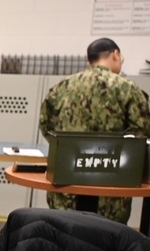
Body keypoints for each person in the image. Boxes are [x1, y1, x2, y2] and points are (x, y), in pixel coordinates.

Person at [39, 38, 150, 224]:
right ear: (115, 55)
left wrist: (67, 151)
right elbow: (142, 132)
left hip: (66, 187)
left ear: (89, 60)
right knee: (106, 238)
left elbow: (46, 125)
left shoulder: (62, 87)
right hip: (110, 191)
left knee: (64, 235)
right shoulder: (127, 88)